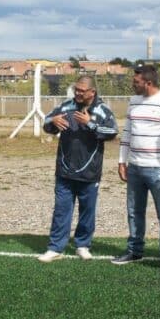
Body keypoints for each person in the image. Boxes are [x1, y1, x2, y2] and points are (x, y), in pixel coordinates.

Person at [37, 76, 118, 262]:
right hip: (65, 170)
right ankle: (55, 248)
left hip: (90, 172)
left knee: (87, 211)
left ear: (92, 92)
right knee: (61, 210)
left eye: (82, 91)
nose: (78, 93)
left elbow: (112, 132)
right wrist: (52, 121)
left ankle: (83, 245)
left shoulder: (102, 110)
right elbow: (47, 124)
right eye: (76, 89)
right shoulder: (65, 106)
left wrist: (90, 123)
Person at [112, 65, 160, 274]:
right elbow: (127, 133)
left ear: (148, 83)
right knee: (134, 211)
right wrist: (122, 161)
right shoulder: (133, 101)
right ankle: (134, 250)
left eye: (136, 82)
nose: (133, 85)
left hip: (159, 169)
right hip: (135, 168)